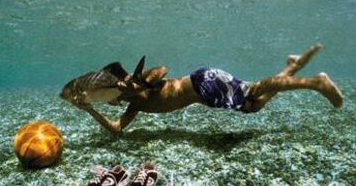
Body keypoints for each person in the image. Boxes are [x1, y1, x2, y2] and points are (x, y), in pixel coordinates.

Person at [68, 44, 343, 133]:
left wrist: (141, 81)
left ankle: (315, 83)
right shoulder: (134, 104)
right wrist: (90, 109)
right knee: (253, 105)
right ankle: (291, 69)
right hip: (206, 90)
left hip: (203, 81)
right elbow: (117, 129)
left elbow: (163, 70)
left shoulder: (142, 87)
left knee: (253, 91)